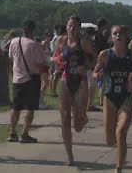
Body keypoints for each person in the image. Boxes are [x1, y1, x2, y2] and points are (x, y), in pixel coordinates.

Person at [93, 25, 132, 173]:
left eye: (120, 34)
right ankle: (121, 155)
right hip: (109, 97)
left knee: (121, 132)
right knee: (110, 140)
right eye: (115, 34)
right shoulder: (104, 55)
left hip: (126, 97)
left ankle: (118, 167)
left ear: (125, 37)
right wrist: (97, 75)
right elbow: (95, 71)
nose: (118, 36)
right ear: (111, 37)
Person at [8, 20, 58, 143]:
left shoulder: (14, 41)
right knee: (30, 108)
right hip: (31, 78)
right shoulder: (33, 45)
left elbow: (10, 57)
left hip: (17, 79)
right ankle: (25, 134)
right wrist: (55, 59)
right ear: (33, 30)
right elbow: (42, 61)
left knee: (16, 107)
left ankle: (12, 132)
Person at [56, 15, 94, 166]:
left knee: (77, 126)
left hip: (81, 80)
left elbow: (95, 58)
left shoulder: (83, 41)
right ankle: (70, 156)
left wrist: (85, 67)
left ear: (79, 28)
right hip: (66, 78)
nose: (72, 29)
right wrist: (59, 61)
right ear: (66, 27)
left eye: (75, 26)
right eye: (70, 26)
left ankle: (82, 117)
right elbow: (58, 58)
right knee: (65, 118)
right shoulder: (61, 41)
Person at [39, 30, 54, 109]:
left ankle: (41, 100)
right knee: (45, 83)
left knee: (44, 84)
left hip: (46, 66)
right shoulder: (43, 44)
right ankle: (39, 100)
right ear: (46, 36)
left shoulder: (49, 45)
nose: (51, 37)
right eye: (50, 36)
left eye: (52, 35)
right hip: (42, 66)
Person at [50, 24, 67, 97]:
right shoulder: (61, 38)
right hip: (59, 58)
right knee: (56, 75)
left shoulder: (57, 38)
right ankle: (54, 91)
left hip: (56, 57)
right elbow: (61, 48)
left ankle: (54, 91)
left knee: (56, 75)